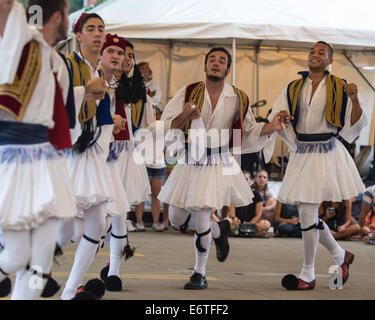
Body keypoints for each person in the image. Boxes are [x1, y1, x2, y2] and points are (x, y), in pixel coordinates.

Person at [158, 46, 288, 290]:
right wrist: (186, 115)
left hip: (217, 162)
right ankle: (219, 232)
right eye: (211, 60)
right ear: (205, 65)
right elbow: (169, 124)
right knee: (176, 218)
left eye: (221, 61)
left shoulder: (239, 97)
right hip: (189, 160)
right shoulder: (187, 92)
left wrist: (271, 127)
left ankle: (200, 272)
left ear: (228, 69)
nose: (215, 64)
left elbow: (248, 131)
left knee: (202, 216)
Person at [268, 41, 367, 290]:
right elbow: (278, 114)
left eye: (321, 52)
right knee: (306, 214)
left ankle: (308, 274)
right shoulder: (293, 87)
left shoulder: (340, 86)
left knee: (308, 213)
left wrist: (354, 100)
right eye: (312, 51)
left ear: (329, 60)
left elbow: (356, 123)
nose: (315, 55)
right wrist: (281, 117)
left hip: (325, 151)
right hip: (302, 152)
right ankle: (340, 255)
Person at [0, 0, 77, 299]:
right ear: (58, 16)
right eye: (69, 12)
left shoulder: (54, 58)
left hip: (46, 159)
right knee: (17, 257)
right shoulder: (19, 39)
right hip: (12, 156)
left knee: (40, 266)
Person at [59, 12, 123, 300]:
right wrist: (83, 92)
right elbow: (49, 99)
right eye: (91, 29)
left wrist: (111, 127)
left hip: (90, 156)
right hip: (65, 153)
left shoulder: (97, 74)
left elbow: (102, 121)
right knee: (61, 231)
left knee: (97, 223)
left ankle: (70, 290)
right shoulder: (66, 65)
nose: (98, 34)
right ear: (78, 35)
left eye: (101, 29)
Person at [114, 41, 155, 232]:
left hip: (129, 152)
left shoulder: (140, 93)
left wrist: (172, 125)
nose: (127, 59)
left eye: (131, 56)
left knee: (120, 207)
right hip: (108, 150)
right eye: (123, 54)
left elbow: (149, 124)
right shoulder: (107, 84)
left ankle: (114, 256)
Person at [228, 170, 271, 237]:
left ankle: (242, 231)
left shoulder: (256, 194)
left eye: (246, 179)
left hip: (252, 223)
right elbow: (232, 214)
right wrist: (235, 219)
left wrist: (249, 224)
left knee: (266, 224)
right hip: (237, 223)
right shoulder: (234, 194)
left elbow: (258, 214)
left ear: (250, 181)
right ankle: (252, 232)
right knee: (227, 221)